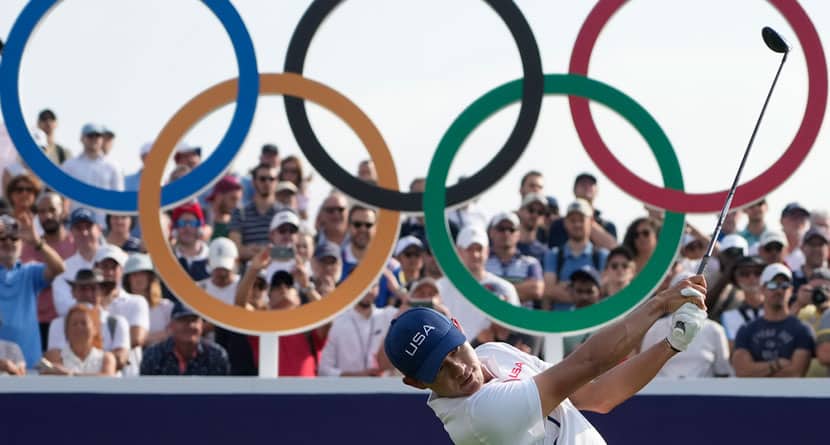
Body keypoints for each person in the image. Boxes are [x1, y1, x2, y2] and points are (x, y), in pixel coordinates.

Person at [383, 275, 709, 444]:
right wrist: (660, 304)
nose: (459, 369)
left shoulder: (492, 353)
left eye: (454, 351)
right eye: (439, 369)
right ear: (417, 383)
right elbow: (588, 362)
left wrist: (671, 344)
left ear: (458, 327)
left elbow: (597, 396)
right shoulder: (478, 417)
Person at [235, 250, 327, 376]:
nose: (283, 288)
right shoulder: (261, 324)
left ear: (299, 298)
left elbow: (327, 316)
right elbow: (240, 307)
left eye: (289, 285)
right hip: (271, 394)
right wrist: (253, 269)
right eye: (276, 286)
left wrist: (306, 286)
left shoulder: (308, 328)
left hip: (305, 394)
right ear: (269, 298)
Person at [0, 213, 65, 369]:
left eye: (14, 238)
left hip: (28, 367)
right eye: (2, 238)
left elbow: (59, 268)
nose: (8, 242)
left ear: (22, 243)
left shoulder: (29, 272)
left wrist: (37, 242)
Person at [437, 225, 520, 341]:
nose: (475, 255)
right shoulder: (439, 287)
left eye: (479, 249)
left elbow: (513, 331)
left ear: (487, 251)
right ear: (459, 251)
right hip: (453, 355)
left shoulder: (505, 288)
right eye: (469, 249)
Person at [641, 272, 732, 378]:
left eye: (695, 292)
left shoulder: (715, 330)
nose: (689, 298)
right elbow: (642, 370)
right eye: (683, 293)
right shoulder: (655, 328)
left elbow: (723, 372)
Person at [732, 263, 815, 377]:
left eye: (785, 285)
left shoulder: (802, 329)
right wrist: (776, 364)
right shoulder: (747, 329)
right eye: (772, 285)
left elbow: (795, 372)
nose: (779, 290)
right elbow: (742, 371)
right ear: (762, 289)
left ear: (791, 290)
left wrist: (756, 370)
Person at [20, 192, 76, 351]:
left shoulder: (76, 243)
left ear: (63, 211)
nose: (47, 216)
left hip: (69, 323)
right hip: (37, 323)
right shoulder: (29, 247)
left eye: (52, 209)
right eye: (42, 212)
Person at [47, 269, 130, 371]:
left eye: (93, 288)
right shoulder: (58, 324)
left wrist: (80, 370)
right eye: (82, 288)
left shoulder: (117, 323)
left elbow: (121, 359)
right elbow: (55, 359)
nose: (88, 294)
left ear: (103, 292)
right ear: (73, 292)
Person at [318, 283, 398, 377]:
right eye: (363, 285)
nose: (368, 291)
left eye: (373, 285)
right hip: (348, 390)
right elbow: (324, 370)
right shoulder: (338, 321)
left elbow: (412, 306)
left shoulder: (388, 315)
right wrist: (357, 376)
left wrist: (398, 290)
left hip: (384, 389)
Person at [543, 199, 609, 310]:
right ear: (565, 223)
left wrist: (567, 288)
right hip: (561, 323)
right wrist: (589, 292)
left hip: (592, 323)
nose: (577, 224)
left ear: (591, 222)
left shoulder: (602, 256)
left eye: (581, 220)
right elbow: (548, 292)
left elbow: (603, 292)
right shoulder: (553, 255)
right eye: (572, 220)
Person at [95, 245, 150, 376]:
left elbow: (137, 338)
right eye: (104, 267)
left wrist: (98, 356)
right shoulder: (86, 304)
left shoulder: (137, 301)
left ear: (121, 270)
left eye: (113, 267)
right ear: (95, 269)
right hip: (94, 375)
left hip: (129, 376)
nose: (109, 272)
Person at [61, 123, 123, 226]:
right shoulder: (69, 165)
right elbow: (62, 195)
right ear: (82, 138)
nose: (94, 139)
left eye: (97, 136)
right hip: (75, 224)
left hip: (103, 224)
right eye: (90, 136)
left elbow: (118, 198)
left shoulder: (113, 167)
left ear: (102, 139)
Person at [140, 305, 230, 376]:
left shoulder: (216, 355)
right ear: (171, 325)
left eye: (194, 321)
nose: (190, 326)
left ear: (202, 325)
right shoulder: (153, 355)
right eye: (183, 321)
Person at [341, 206, 398, 307]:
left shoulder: (392, 267)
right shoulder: (334, 263)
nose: (363, 229)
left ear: (376, 228)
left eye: (368, 225)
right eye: (357, 224)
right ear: (348, 226)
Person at [51, 208, 104, 316]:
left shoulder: (117, 260)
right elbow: (63, 307)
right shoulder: (63, 269)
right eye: (78, 228)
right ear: (71, 233)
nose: (84, 233)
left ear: (99, 229)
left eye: (88, 227)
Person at [486, 211, 543, 308]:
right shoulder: (481, 262)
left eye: (511, 229)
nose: (506, 233)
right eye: (501, 229)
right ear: (491, 232)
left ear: (518, 234)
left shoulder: (531, 263)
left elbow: (536, 290)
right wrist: (521, 289)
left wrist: (493, 292)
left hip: (521, 322)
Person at [546, 173, 617, 250]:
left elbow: (614, 250)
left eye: (591, 184)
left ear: (597, 191)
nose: (587, 187)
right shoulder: (559, 225)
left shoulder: (608, 226)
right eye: (582, 184)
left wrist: (589, 222)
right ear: (574, 190)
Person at [41, 304, 117, 376]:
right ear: (66, 331)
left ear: (95, 329)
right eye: (74, 324)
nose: (79, 327)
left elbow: (108, 377)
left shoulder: (106, 358)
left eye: (84, 323)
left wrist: (72, 375)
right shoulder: (57, 356)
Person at [229, 163, 281, 262]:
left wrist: (257, 250)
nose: (267, 182)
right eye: (262, 179)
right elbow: (235, 251)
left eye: (271, 179)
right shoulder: (239, 213)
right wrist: (272, 251)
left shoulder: (285, 213)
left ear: (277, 182)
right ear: (253, 182)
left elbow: (290, 252)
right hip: (248, 274)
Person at [123, 253, 172, 346]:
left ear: (150, 278)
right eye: (134, 275)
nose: (138, 278)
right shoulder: (122, 306)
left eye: (142, 274)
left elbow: (174, 333)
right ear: (127, 280)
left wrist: (140, 338)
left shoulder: (166, 307)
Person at [719, 256, 766, 347]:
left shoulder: (780, 309)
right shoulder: (728, 316)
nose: (752, 277)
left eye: (758, 273)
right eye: (744, 274)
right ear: (736, 279)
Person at [562, 266, 605, 356]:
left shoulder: (608, 322)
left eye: (589, 292)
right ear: (571, 292)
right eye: (579, 291)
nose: (584, 297)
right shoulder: (561, 323)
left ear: (600, 293)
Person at [792, 226, 828, 292]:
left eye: (820, 244)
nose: (816, 249)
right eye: (812, 244)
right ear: (802, 247)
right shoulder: (791, 279)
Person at [206, 175, 242, 240]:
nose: (237, 205)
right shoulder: (202, 221)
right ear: (219, 197)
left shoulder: (238, 226)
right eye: (233, 199)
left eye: (238, 200)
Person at [516, 193, 548, 264]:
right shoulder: (507, 246)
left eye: (540, 212)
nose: (535, 215)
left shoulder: (545, 253)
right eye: (531, 210)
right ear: (520, 211)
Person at [780, 202, 811, 272]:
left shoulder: (810, 251)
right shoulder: (770, 247)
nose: (798, 221)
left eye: (802, 218)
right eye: (793, 217)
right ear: (782, 220)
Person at [277, 155, 310, 220]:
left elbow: (304, 217)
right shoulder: (273, 190)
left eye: (293, 171)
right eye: (286, 171)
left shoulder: (303, 192)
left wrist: (302, 196)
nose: (289, 175)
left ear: (299, 173)